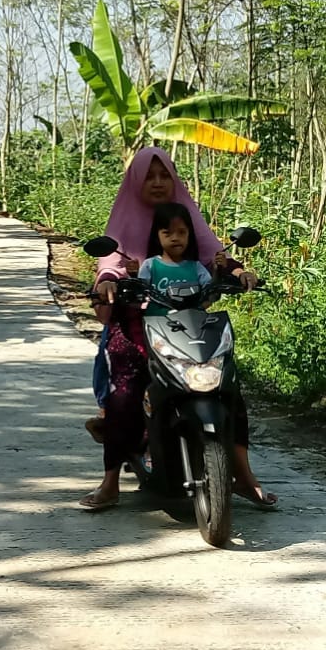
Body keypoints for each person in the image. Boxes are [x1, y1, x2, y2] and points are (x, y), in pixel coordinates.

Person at [78, 146, 276, 511]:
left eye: (164, 175)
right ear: (136, 180)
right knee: (124, 394)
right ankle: (109, 483)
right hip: (138, 323)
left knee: (227, 386)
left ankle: (244, 477)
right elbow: (110, 264)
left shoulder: (186, 215)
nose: (157, 182)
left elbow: (213, 254)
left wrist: (237, 271)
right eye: (149, 176)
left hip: (188, 321)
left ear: (174, 178)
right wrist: (107, 281)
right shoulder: (124, 219)